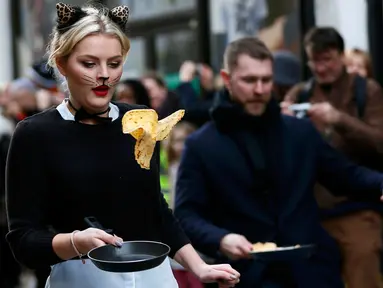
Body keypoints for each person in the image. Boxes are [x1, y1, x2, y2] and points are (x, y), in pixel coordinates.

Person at [5, 3, 240, 288]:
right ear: (62, 63)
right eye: (89, 63)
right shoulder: (35, 134)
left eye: (114, 63)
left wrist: (199, 267)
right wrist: (74, 242)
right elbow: (23, 239)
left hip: (157, 278)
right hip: (80, 280)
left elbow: (157, 211)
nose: (104, 74)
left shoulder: (138, 120)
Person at [174, 37, 383, 287]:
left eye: (266, 79)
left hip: (312, 273)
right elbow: (186, 214)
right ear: (228, 79)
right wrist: (221, 238)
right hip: (246, 276)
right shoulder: (201, 145)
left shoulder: (300, 133)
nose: (260, 89)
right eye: (250, 80)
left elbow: (346, 175)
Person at [283, 27, 383, 288]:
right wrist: (283, 122)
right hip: (310, 210)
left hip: (356, 207)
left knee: (362, 261)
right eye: (314, 60)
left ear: (341, 56)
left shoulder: (366, 91)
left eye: (326, 59)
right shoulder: (299, 94)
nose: (320, 67)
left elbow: (379, 142)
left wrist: (339, 120)